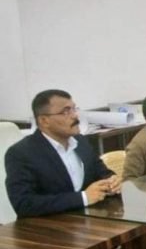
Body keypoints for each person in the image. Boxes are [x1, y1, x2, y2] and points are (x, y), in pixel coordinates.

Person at [5, 89, 121, 217]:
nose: (74, 116)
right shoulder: (21, 153)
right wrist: (82, 198)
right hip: (48, 225)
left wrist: (112, 181)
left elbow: (102, 172)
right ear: (44, 120)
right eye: (66, 111)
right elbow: (24, 204)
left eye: (74, 109)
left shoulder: (81, 142)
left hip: (88, 218)